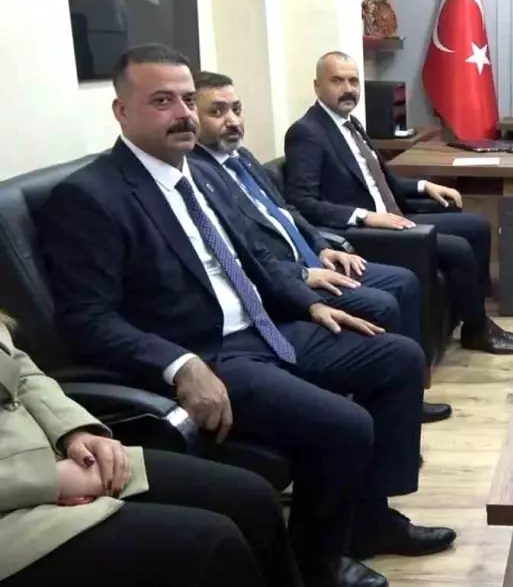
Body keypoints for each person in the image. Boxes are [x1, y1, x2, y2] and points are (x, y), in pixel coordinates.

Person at [38, 44, 456, 587]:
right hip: (211, 353)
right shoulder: (91, 197)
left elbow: (252, 259)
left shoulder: (201, 174)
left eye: (188, 100)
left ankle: (370, 521)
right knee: (346, 425)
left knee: (398, 357)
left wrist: (310, 303)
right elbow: (88, 319)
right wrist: (181, 365)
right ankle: (316, 565)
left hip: (266, 326)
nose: (184, 114)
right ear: (121, 111)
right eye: (162, 101)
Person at [187, 70, 451, 424]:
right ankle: (379, 410)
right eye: (217, 112)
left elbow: (288, 211)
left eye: (236, 109)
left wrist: (323, 246)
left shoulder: (242, 158)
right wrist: (302, 273)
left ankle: (408, 397)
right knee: (384, 303)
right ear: (192, 116)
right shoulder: (198, 174)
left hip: (314, 257)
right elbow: (245, 248)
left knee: (404, 281)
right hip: (287, 278)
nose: (232, 121)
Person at [0, 315, 299, 587]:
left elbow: (22, 372)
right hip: (15, 503)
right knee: (212, 546)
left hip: (51, 453)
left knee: (251, 499)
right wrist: (48, 479)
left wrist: (74, 432)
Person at [283, 51, 513, 355]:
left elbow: (384, 182)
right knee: (458, 249)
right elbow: (301, 202)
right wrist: (364, 216)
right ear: (317, 86)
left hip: (394, 217)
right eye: (337, 81)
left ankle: (477, 315)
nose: (348, 89)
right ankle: (476, 331)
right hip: (366, 233)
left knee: (476, 226)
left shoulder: (351, 124)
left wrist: (425, 185)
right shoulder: (307, 132)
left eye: (353, 81)